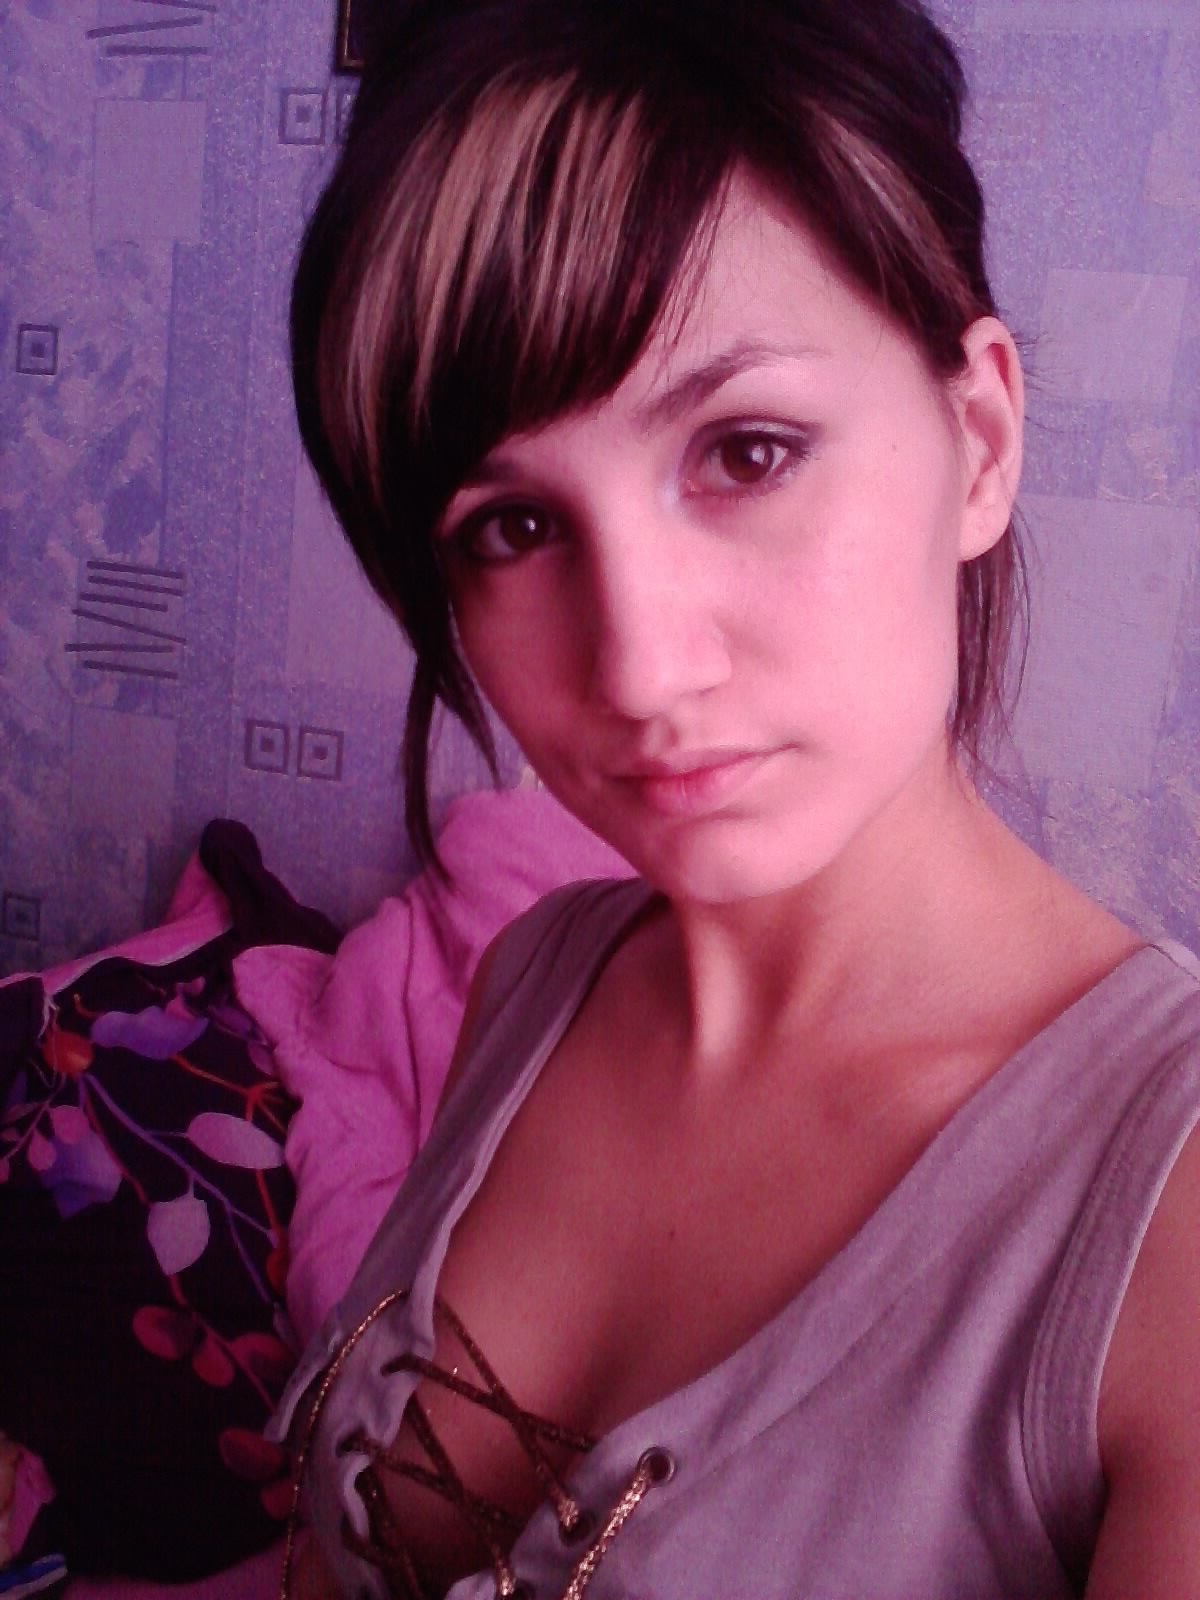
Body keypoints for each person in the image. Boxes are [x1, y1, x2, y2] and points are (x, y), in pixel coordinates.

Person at [271, 0, 1200, 1594]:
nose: (638, 666)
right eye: (511, 528)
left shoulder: (1167, 1211)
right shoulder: (533, 979)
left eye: (747, 453)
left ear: (979, 440)